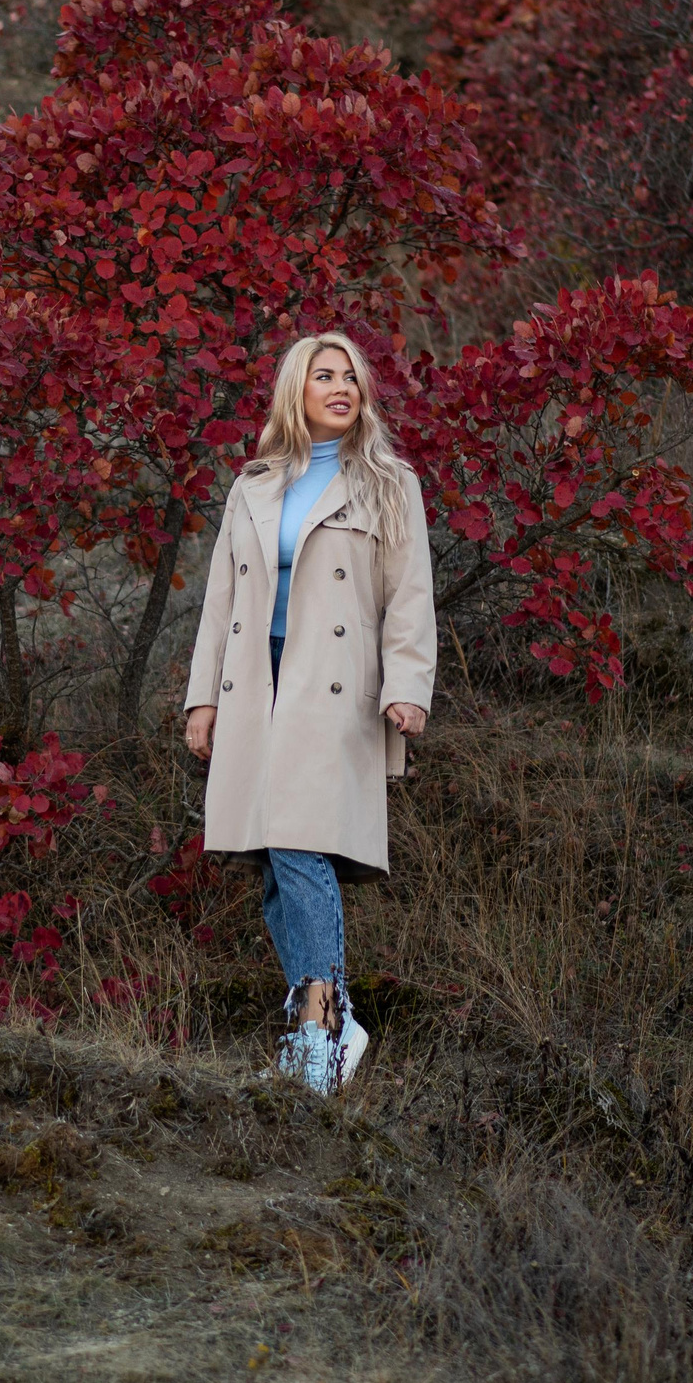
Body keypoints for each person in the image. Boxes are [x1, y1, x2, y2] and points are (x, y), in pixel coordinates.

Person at [182, 332, 437, 1096]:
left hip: (332, 693)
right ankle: (317, 1021)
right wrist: (202, 698)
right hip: (255, 689)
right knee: (268, 858)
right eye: (324, 374)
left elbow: (409, 594)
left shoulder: (389, 482)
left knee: (298, 843)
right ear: (297, 389)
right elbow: (220, 600)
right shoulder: (253, 485)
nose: (341, 386)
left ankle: (323, 1021)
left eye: (351, 376)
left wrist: (410, 684)